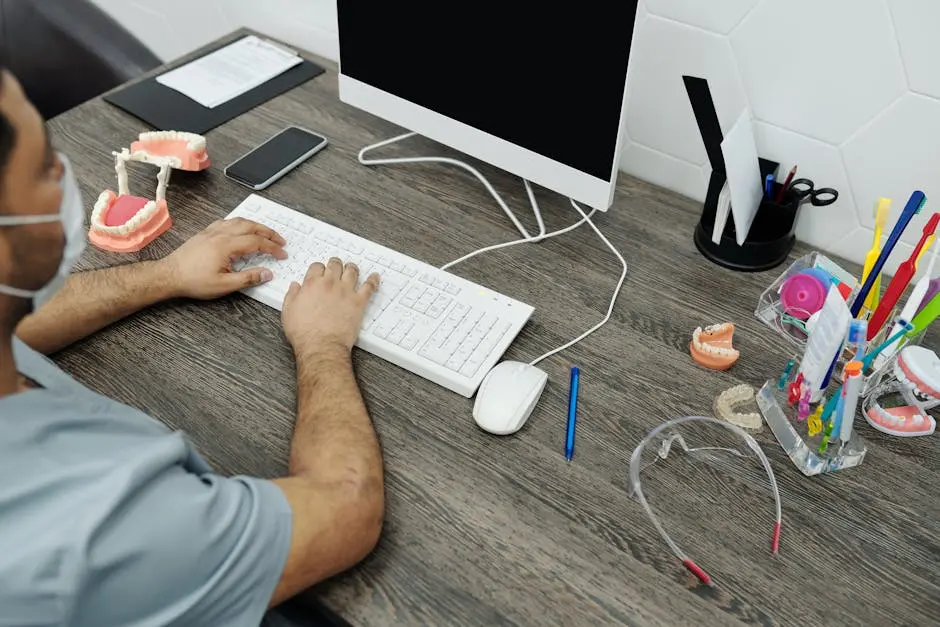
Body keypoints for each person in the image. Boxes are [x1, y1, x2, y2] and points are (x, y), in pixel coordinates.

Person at [0, 67, 385, 626]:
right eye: (42, 167)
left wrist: (168, 273)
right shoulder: (92, 529)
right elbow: (347, 508)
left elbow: (21, 322)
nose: (63, 172)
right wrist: (322, 343)